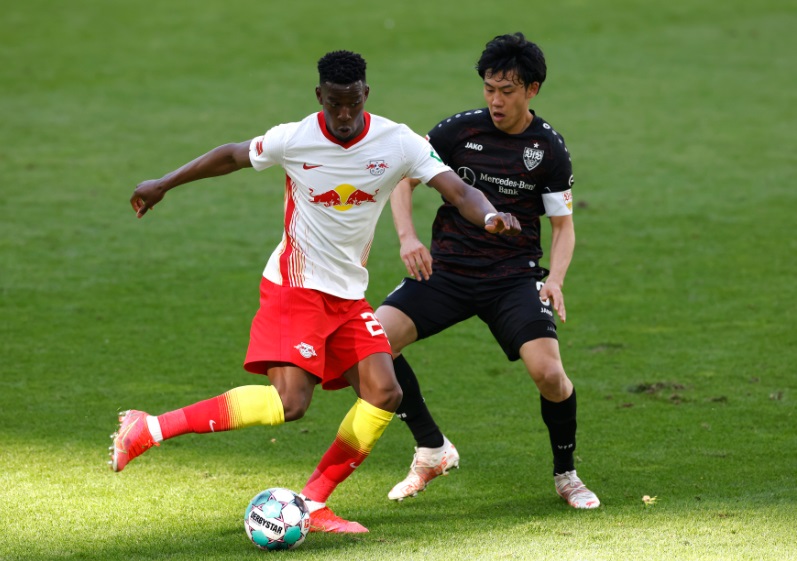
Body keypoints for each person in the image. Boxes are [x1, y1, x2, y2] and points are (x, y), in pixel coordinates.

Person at [108, 50, 521, 535]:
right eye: (334, 104)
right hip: (295, 286)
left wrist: (490, 215)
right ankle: (149, 428)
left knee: (385, 392)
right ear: (319, 96)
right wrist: (163, 183)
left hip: (347, 295)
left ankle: (313, 502)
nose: (344, 115)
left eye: (353, 103)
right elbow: (232, 155)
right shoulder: (295, 138)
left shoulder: (398, 142)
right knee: (290, 402)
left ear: (366, 94)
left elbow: (458, 191)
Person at [374, 33, 600, 508]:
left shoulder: (548, 148)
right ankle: (432, 448)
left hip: (513, 278)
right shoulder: (458, 131)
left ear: (532, 89)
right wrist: (408, 238)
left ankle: (567, 475)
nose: (496, 101)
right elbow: (403, 181)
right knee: (373, 343)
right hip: (448, 271)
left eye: (507, 91)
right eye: (490, 89)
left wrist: (555, 279)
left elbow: (563, 227)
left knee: (550, 375)